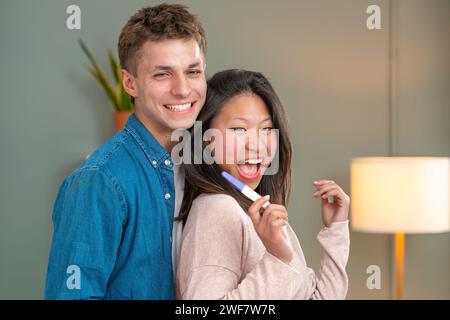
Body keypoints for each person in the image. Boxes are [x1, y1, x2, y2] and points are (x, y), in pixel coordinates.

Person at [45, 3, 207, 299]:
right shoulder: (98, 182)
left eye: (193, 71)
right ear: (130, 83)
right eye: (162, 74)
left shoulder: (203, 165)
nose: (183, 89)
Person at [176, 69, 350, 299]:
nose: (256, 146)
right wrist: (277, 258)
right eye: (239, 129)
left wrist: (335, 230)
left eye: (266, 129)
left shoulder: (259, 213)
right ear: (207, 141)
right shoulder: (218, 210)